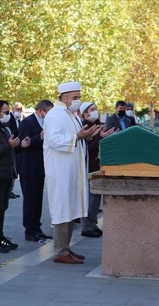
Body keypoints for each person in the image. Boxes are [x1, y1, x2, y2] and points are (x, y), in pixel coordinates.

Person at [43, 81, 102, 264]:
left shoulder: (70, 114)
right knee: (62, 208)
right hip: (60, 171)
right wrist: (78, 136)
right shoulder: (55, 114)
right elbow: (53, 140)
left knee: (70, 208)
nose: (78, 100)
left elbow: (77, 137)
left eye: (79, 97)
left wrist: (88, 135)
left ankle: (66, 248)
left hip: (71, 170)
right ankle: (60, 251)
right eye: (75, 97)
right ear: (64, 97)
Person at [0, 100, 30, 253]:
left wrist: (20, 146)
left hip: (6, 172)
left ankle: (0, 236)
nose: (8, 115)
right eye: (6, 112)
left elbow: (10, 148)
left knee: (2, 207)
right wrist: (9, 145)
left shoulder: (4, 127)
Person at [17, 100, 54, 242]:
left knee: (38, 199)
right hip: (28, 167)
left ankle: (37, 227)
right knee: (30, 199)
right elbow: (23, 143)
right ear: (40, 111)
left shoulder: (46, 123)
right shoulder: (28, 122)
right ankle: (30, 230)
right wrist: (39, 137)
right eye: (48, 112)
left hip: (41, 166)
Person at [79, 102, 114, 237]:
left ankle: (92, 224)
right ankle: (86, 227)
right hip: (89, 167)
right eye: (92, 110)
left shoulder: (97, 125)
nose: (95, 112)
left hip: (98, 166)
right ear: (85, 114)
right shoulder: (84, 127)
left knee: (95, 200)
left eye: (95, 109)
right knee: (89, 199)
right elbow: (87, 148)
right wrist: (100, 137)